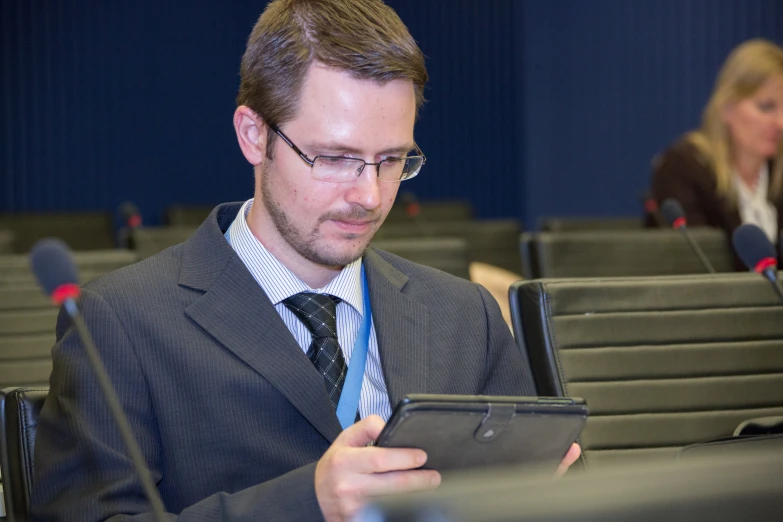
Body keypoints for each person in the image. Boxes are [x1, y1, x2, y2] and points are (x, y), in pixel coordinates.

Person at [32, 1, 579, 521]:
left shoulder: (465, 316)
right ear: (254, 135)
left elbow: (557, 485)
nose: (368, 195)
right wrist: (304, 505)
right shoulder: (121, 324)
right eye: (336, 158)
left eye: (391, 160)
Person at [646, 39, 783, 268]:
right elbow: (699, 268)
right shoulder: (683, 169)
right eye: (767, 106)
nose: (780, 123)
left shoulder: (778, 173)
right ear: (727, 107)